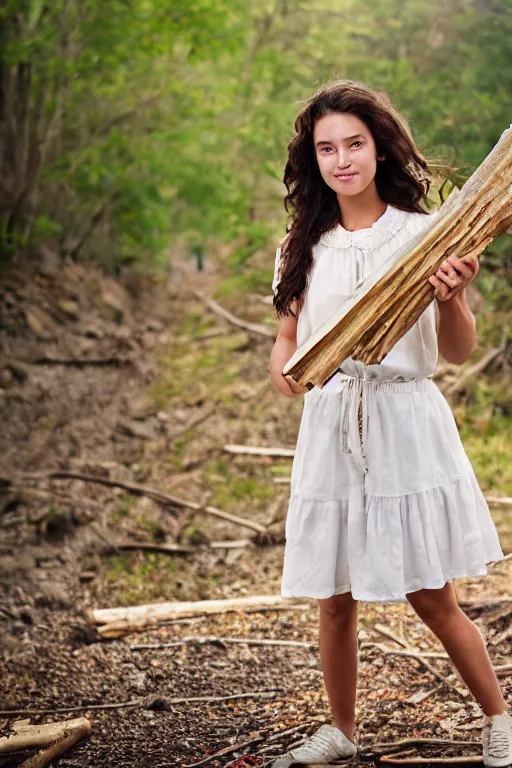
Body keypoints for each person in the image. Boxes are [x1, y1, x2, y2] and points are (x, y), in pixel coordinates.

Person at [268, 80, 511, 768]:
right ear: (313, 160)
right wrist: (285, 367)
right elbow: (285, 343)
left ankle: (499, 720)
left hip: (404, 422)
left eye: (354, 144)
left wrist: (455, 297)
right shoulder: (300, 246)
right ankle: (341, 732)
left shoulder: (425, 234)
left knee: (433, 594)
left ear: (379, 149)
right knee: (335, 597)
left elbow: (456, 352)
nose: (341, 159)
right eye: (326, 148)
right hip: (330, 423)